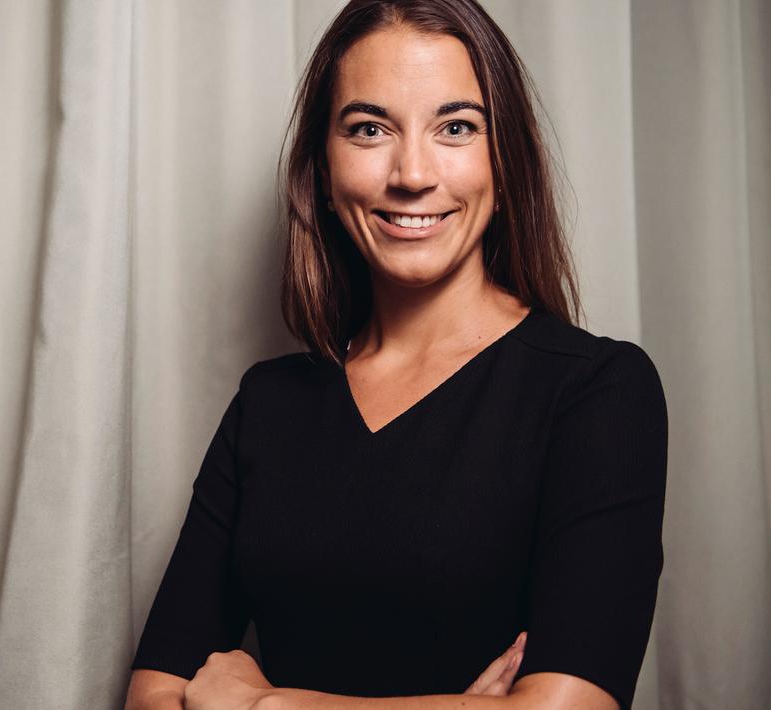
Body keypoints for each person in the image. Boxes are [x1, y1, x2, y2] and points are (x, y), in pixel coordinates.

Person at [125, 0, 667, 708]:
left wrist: (269, 704)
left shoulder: (597, 391)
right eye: (370, 129)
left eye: (456, 127)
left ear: (506, 161)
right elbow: (152, 694)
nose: (412, 173)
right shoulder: (269, 403)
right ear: (322, 171)